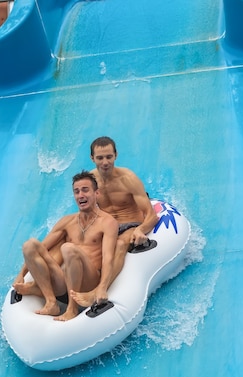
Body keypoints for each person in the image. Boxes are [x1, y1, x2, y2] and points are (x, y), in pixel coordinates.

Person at [13, 171, 118, 321]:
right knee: (30, 245)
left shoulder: (107, 222)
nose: (80, 195)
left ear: (97, 193)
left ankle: (72, 309)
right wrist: (21, 274)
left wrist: (101, 288)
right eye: (77, 191)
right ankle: (51, 302)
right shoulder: (67, 221)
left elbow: (108, 258)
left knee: (68, 248)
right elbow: (42, 248)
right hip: (65, 281)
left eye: (85, 190)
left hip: (89, 280)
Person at [70, 136, 158, 307]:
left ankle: (99, 289)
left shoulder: (128, 179)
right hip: (107, 226)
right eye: (100, 158)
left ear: (116, 155)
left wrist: (141, 229)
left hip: (130, 224)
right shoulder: (90, 182)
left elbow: (151, 215)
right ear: (92, 158)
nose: (105, 162)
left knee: (118, 244)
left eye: (109, 157)